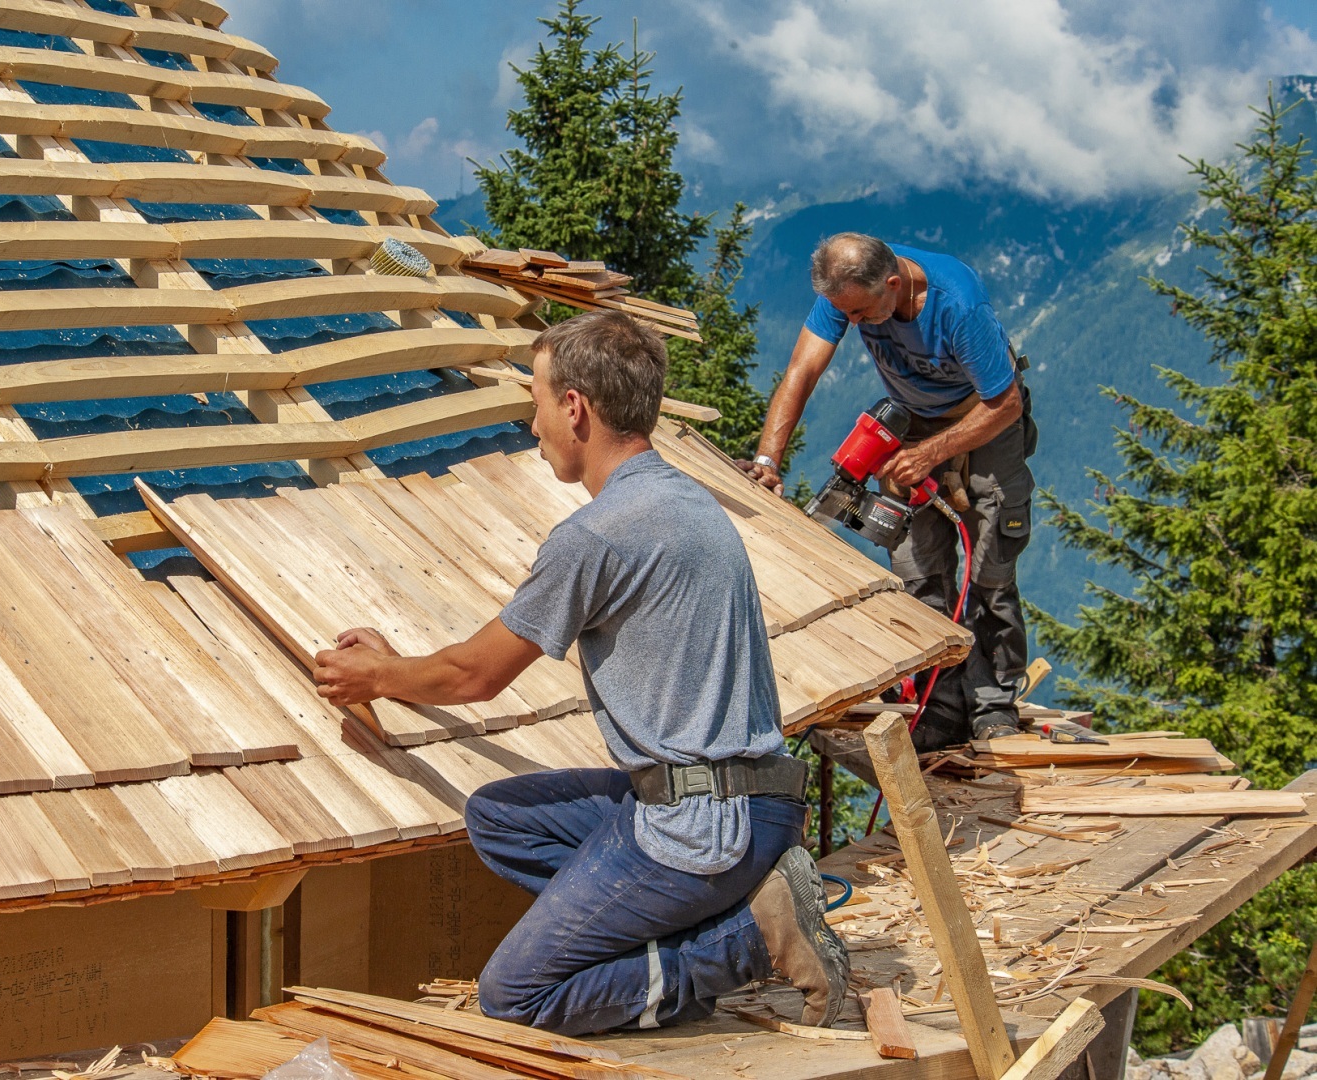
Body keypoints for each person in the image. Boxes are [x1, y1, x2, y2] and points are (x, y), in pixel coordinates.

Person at [313, 310, 849, 1036]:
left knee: (516, 995)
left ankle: (745, 940)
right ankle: (688, 932)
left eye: (536, 401)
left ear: (575, 407)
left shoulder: (597, 535)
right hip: (758, 802)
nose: (532, 425)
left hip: (699, 825)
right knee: (500, 818)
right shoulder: (688, 498)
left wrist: (375, 678)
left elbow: (476, 675)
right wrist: (393, 663)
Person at [741, 232, 1035, 748]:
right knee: (917, 570)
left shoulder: (958, 306)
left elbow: (1005, 403)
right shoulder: (847, 290)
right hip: (914, 419)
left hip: (985, 422)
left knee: (989, 571)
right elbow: (802, 369)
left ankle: (993, 707)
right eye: (844, 313)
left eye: (860, 313)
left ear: (893, 284)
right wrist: (768, 460)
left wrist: (930, 454)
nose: (850, 324)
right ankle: (937, 708)